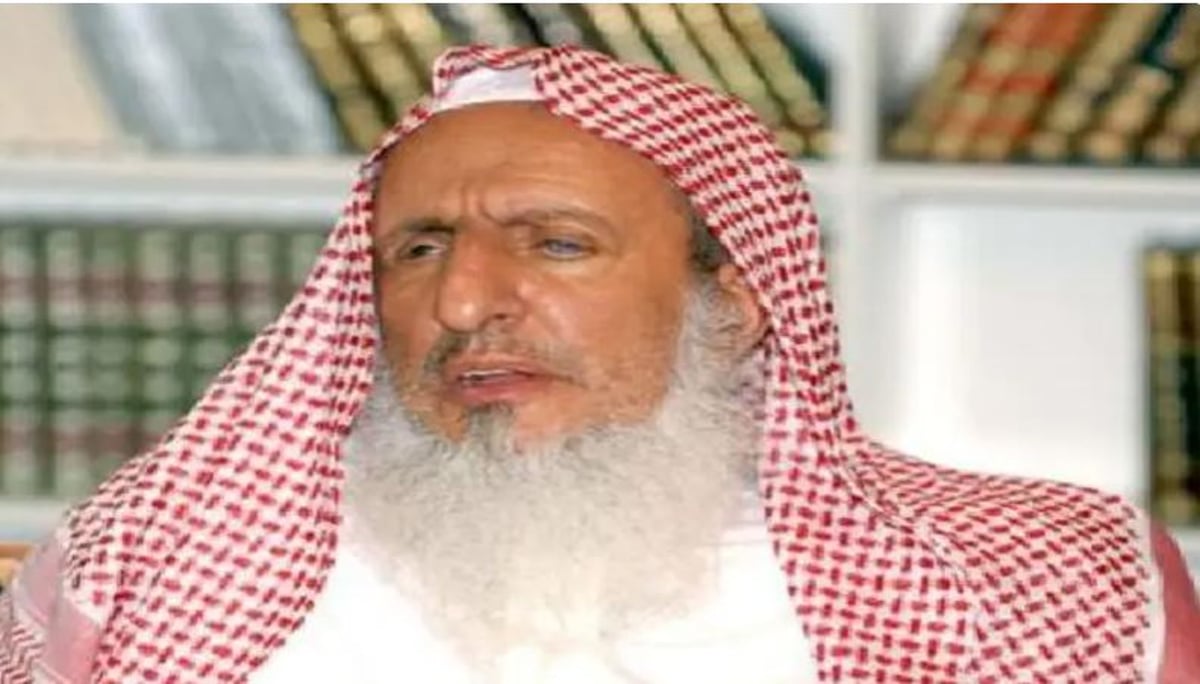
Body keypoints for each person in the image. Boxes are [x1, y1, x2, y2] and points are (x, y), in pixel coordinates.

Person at [2, 44, 1197, 684]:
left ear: (731, 306)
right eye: (419, 249)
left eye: (556, 244)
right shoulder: (157, 567)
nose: (462, 301)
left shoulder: (1043, 587)